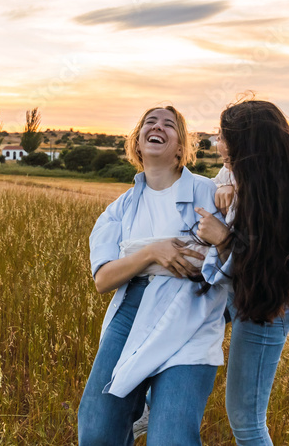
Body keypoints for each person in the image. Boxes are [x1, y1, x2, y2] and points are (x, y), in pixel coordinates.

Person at [78, 106, 229, 446]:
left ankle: (153, 405)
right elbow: (103, 279)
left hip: (191, 315)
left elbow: (243, 257)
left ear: (180, 148)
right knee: (98, 430)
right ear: (137, 141)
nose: (157, 126)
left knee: (171, 439)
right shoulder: (120, 208)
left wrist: (224, 236)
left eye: (168, 124)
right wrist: (152, 252)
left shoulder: (210, 193)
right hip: (131, 311)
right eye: (150, 121)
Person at [195, 99, 289, 446]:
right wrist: (225, 184)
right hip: (234, 293)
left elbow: (265, 264)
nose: (217, 143)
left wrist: (223, 239)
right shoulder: (238, 173)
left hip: (267, 302)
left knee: (246, 420)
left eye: (223, 137)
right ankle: (146, 410)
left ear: (247, 146)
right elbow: (222, 177)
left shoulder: (277, 196)